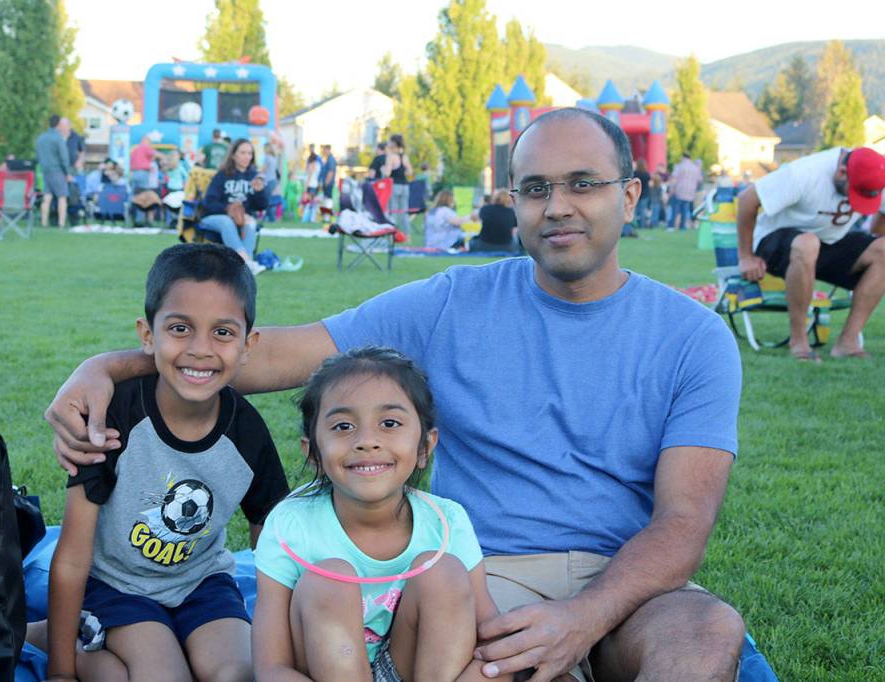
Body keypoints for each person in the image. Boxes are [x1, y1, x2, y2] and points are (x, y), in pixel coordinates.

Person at [47, 107, 746, 682]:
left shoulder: (693, 337)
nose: (557, 207)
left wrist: (584, 618)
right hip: (477, 575)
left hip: (626, 583)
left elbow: (683, 522)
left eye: (582, 184)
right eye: (535, 188)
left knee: (708, 633)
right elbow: (277, 354)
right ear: (514, 201)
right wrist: (105, 369)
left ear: (629, 195)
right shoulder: (454, 303)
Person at [44, 243, 289, 682]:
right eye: (180, 328)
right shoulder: (113, 416)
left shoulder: (248, 433)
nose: (200, 349)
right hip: (119, 586)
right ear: (147, 335)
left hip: (203, 583)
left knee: (239, 674)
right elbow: (71, 558)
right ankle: (74, 648)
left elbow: (271, 539)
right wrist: (61, 673)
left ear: (247, 344)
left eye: (222, 332)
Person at [252, 347, 506, 682]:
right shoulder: (291, 525)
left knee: (443, 572)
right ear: (313, 452)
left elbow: (490, 641)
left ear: (425, 447)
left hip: (414, 668)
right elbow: (271, 668)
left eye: (389, 423)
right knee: (329, 579)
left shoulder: (447, 522)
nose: (367, 441)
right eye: (343, 426)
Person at [736, 146, 885, 361]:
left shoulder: (877, 176)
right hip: (774, 241)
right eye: (855, 193)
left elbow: (880, 220)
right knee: (807, 243)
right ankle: (799, 341)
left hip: (827, 241)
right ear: (842, 172)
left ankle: (848, 342)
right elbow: (747, 199)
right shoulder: (805, 173)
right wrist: (746, 257)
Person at [201, 139, 268, 275]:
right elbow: (209, 203)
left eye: (249, 153)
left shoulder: (253, 176)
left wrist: (259, 192)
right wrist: (228, 209)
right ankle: (246, 262)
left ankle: (245, 267)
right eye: (242, 153)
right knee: (227, 221)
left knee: (251, 222)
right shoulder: (222, 175)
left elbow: (261, 206)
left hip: (241, 219)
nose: (247, 157)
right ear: (233, 155)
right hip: (214, 218)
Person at [36, 115, 74, 228]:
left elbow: (38, 155)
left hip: (45, 171)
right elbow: (64, 157)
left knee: (47, 197)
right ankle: (61, 223)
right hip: (57, 171)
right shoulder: (58, 138)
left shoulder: (41, 138)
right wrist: (68, 173)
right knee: (62, 197)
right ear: (58, 124)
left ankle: (44, 222)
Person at [385, 134, 413, 236]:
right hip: (405, 186)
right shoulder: (404, 157)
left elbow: (387, 174)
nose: (388, 143)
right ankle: (407, 235)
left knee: (393, 211)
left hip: (394, 186)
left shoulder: (391, 157)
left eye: (389, 141)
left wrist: (384, 169)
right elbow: (410, 172)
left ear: (393, 143)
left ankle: (393, 235)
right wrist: (402, 172)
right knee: (404, 212)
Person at [667, 153, 702, 230]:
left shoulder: (679, 166)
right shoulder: (695, 168)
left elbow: (674, 179)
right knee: (685, 210)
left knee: (675, 210)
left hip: (679, 191)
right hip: (690, 193)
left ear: (683, 157)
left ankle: (671, 226)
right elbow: (699, 180)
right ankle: (682, 226)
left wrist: (671, 189)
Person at [632, 159, 651, 228]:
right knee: (642, 211)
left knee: (635, 210)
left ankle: (634, 225)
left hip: (636, 193)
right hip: (645, 194)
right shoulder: (647, 174)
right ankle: (642, 225)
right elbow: (649, 185)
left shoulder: (635, 173)